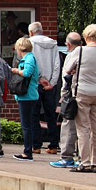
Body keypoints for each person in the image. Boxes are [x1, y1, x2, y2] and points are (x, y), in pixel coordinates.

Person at [62, 24, 96, 173]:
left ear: (86, 37)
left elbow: (67, 70)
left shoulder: (79, 51)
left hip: (82, 91)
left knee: (83, 128)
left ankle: (85, 162)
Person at [50, 32, 84, 169]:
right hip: (88, 93)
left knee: (68, 126)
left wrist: (62, 96)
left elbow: (66, 76)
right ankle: (83, 158)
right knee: (85, 128)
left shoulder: (72, 56)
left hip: (72, 94)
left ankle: (66, 157)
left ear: (68, 44)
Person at [28, 22, 61, 154]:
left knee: (34, 114)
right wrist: (52, 82)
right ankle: (53, 145)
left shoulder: (30, 43)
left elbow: (32, 63)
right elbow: (57, 65)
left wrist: (39, 78)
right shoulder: (53, 44)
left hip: (35, 83)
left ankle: (36, 145)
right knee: (50, 115)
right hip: (50, 85)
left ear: (31, 32)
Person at [10, 36, 40, 161]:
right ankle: (28, 149)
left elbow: (27, 73)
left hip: (27, 96)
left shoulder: (29, 58)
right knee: (29, 123)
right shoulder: (29, 58)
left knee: (26, 125)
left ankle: (27, 152)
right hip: (28, 95)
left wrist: (16, 71)